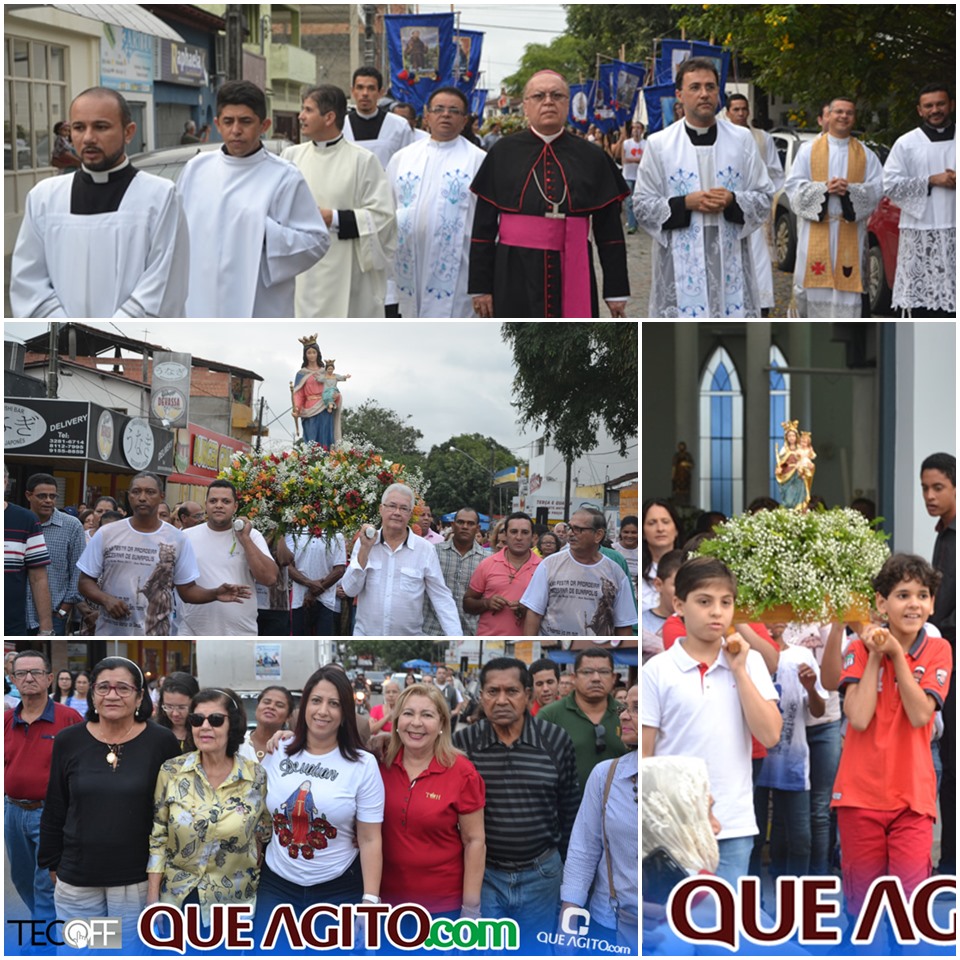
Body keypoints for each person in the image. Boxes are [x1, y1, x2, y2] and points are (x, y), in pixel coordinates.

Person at [642, 557, 782, 886]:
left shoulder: (751, 662)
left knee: (724, 928)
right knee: (674, 930)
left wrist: (739, 671)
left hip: (734, 824)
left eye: (726, 602)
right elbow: (646, 758)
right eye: (704, 602)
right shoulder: (657, 670)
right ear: (679, 604)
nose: (716, 612)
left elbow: (771, 734)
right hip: (673, 829)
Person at [832, 555, 952, 921]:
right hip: (858, 799)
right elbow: (860, 717)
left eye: (922, 595)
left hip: (912, 801)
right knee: (863, 911)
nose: (914, 603)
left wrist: (896, 654)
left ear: (932, 604)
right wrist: (873, 655)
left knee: (910, 911)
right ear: (881, 603)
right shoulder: (856, 648)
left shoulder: (939, 649)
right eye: (902, 595)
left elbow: (920, 715)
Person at [38, 657, 180, 953]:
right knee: (80, 951)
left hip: (134, 879)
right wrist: (52, 862)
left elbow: (170, 811)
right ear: (92, 694)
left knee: (120, 952)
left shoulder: (161, 741)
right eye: (103, 687)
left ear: (140, 696)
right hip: (78, 874)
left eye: (123, 688)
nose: (112, 695)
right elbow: (56, 804)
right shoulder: (69, 740)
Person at [11, 87, 189, 319]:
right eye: (78, 127)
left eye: (101, 126)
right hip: (66, 341)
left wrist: (112, 333)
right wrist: (68, 333)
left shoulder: (161, 197)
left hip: (127, 338)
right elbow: (29, 281)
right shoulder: (44, 198)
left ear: (128, 132)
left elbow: (164, 283)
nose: (88, 138)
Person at [468, 70, 629, 318]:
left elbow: (610, 233)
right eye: (539, 95)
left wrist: (616, 290)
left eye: (557, 95)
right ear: (526, 106)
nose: (548, 101)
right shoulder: (503, 152)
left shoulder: (593, 156)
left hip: (573, 263)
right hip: (513, 267)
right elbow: (482, 229)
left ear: (567, 104)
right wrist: (480, 287)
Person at [453, 658, 579, 950]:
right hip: (484, 877)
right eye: (492, 692)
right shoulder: (464, 744)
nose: (501, 700)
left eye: (511, 691)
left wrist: (567, 880)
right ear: (481, 696)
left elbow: (570, 812)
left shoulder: (555, 740)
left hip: (542, 875)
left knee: (535, 951)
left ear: (528, 695)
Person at [634, 58, 775, 318]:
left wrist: (733, 199)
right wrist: (686, 202)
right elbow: (642, 206)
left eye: (710, 87)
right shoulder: (659, 144)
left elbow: (764, 196)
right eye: (695, 87)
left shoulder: (741, 139)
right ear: (680, 95)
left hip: (731, 255)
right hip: (679, 263)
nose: (704, 94)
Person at [254, 666, 384, 947]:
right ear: (304, 706)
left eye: (334, 703)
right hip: (276, 885)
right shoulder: (279, 751)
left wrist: (370, 900)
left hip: (338, 889)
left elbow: (371, 838)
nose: (323, 711)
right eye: (316, 701)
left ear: (345, 712)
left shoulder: (363, 765)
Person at [177, 80, 330, 318]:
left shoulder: (284, 176)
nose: (236, 130)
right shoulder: (196, 169)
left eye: (245, 121)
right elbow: (176, 233)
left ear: (264, 125)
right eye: (228, 121)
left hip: (261, 302)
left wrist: (262, 231)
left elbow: (317, 241)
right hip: (200, 297)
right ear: (217, 124)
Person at [148, 688, 270, 929]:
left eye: (215, 720)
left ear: (232, 725)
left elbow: (265, 830)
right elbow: (158, 837)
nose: (205, 726)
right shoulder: (171, 772)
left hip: (235, 904)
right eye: (196, 719)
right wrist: (154, 900)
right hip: (178, 900)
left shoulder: (255, 776)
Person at [77, 471, 252, 636]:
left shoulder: (177, 539)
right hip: (110, 631)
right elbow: (85, 581)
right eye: (136, 492)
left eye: (150, 492)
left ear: (161, 496)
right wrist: (106, 599)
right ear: (128, 496)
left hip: (156, 632)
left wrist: (214, 593)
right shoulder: (107, 533)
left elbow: (187, 590)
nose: (142, 498)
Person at [283, 85, 396, 319]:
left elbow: (384, 218)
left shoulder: (363, 160)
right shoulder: (291, 157)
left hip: (348, 271)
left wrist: (332, 218)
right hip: (302, 272)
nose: (300, 116)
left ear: (329, 117)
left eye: (307, 110)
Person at [379, 683, 485, 920]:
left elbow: (474, 842)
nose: (416, 723)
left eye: (427, 715)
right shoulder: (379, 763)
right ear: (397, 722)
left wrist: (470, 909)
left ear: (442, 725)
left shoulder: (462, 772)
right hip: (384, 903)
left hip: (441, 907)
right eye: (408, 713)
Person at [386, 86, 486, 318]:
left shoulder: (479, 161)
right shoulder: (402, 158)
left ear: (464, 120)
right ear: (427, 115)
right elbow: (389, 210)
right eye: (439, 109)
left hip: (459, 269)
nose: (446, 114)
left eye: (454, 110)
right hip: (407, 263)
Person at [784, 96, 883, 318]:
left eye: (849, 113)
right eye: (839, 111)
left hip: (850, 230)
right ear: (828, 115)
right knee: (812, 286)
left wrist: (850, 191)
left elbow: (877, 189)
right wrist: (824, 189)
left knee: (847, 289)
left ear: (854, 118)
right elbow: (793, 186)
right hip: (816, 230)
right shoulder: (808, 150)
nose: (843, 116)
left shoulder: (865, 154)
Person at [4, 651, 83, 930]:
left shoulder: (68, 718)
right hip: (12, 810)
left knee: (45, 884)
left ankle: (44, 943)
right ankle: (46, 929)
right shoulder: (6, 720)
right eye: (21, 673)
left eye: (36, 672)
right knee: (21, 879)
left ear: (49, 678)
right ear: (12, 679)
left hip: (49, 813)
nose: (29, 678)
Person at [560, 684, 638, 952]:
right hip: (610, 923)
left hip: (672, 927)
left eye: (637, 709)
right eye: (625, 707)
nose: (625, 716)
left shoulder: (691, 776)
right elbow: (583, 851)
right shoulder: (606, 775)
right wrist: (568, 927)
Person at [340, 483, 461, 636]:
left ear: (410, 514)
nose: (397, 512)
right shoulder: (365, 543)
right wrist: (365, 550)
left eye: (404, 508)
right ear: (381, 509)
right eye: (392, 506)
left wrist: (456, 636)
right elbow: (350, 590)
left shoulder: (424, 549)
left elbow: (441, 597)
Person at [882, 84, 956, 317]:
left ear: (951, 105)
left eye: (940, 104)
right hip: (923, 236)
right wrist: (931, 180)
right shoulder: (906, 144)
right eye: (929, 106)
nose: (935, 110)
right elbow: (890, 185)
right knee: (925, 311)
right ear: (920, 110)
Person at [179, 480, 278, 636]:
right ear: (206, 505)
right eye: (213, 501)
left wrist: (244, 539)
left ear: (235, 507)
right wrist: (214, 594)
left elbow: (270, 578)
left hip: (240, 632)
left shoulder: (252, 536)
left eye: (225, 501)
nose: (219, 505)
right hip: (193, 631)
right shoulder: (185, 537)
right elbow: (181, 587)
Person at [920, 453, 956, 876]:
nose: (929, 496)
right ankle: (947, 861)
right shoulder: (942, 534)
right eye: (925, 488)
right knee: (946, 759)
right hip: (944, 651)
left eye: (938, 488)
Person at [522, 507, 637, 636]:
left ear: (598, 535)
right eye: (570, 528)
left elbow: (624, 624)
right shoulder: (549, 565)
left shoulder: (615, 572)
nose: (571, 533)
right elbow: (534, 613)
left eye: (578, 529)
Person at [537, 647, 627, 799]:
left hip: (618, 811)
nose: (596, 678)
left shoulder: (627, 715)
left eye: (604, 672)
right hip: (565, 812)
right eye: (587, 672)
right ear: (574, 678)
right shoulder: (550, 716)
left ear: (613, 678)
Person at [725, 93, 785, 317]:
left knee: (758, 255)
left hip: (755, 207)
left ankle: (761, 302)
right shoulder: (721, 137)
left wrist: (764, 194)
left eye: (744, 109)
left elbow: (776, 172)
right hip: (728, 206)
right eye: (736, 110)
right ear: (728, 112)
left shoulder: (762, 138)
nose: (741, 114)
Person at [24, 472, 87, 636]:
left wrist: (63, 610)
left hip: (55, 614)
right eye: (42, 496)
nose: (48, 500)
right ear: (28, 495)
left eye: (53, 496)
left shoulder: (72, 526)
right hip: (17, 612)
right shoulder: (16, 522)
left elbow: (78, 571)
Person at [464, 511, 542, 636]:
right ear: (505, 535)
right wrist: (487, 603)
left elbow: (553, 611)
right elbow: (467, 603)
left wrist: (528, 608)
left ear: (533, 537)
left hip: (526, 645)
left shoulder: (543, 568)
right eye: (514, 531)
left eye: (525, 532)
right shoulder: (487, 564)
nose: (519, 537)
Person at [4, 465, 54, 637]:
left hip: (10, 624)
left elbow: (38, 578)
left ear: (4, 483)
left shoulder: (25, 520)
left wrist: (46, 628)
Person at [424, 508, 487, 636]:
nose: (465, 527)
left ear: (478, 528)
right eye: (460, 522)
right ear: (453, 525)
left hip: (469, 631)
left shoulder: (487, 560)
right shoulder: (433, 552)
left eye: (470, 524)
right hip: (433, 630)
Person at [343, 67, 414, 169]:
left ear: (381, 92)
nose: (365, 94)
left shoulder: (399, 126)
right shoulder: (340, 126)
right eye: (360, 87)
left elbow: (409, 163)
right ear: (352, 91)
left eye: (371, 88)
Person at [286, 527, 347, 635]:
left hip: (325, 602)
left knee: (323, 643)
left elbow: (339, 569)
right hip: (300, 600)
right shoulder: (294, 532)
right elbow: (288, 566)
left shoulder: (337, 534)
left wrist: (314, 592)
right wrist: (309, 583)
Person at [292, 335, 338, 447]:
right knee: (311, 438)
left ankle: (326, 461)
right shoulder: (301, 374)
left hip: (324, 406)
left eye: (314, 352)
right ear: (305, 355)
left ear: (318, 353)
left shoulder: (325, 372)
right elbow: (299, 394)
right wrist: (297, 408)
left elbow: (332, 385)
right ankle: (312, 460)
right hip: (309, 410)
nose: (312, 355)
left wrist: (336, 395)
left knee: (325, 437)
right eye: (309, 353)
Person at [641, 498, 682, 612]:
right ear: (643, 532)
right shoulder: (637, 570)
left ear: (676, 529)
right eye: (652, 523)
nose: (660, 529)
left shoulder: (690, 566)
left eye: (665, 521)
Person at [239, 686, 295, 764]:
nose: (271, 707)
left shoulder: (292, 747)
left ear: (288, 716)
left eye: (279, 705)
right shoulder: (238, 742)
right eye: (266, 702)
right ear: (257, 707)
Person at [155, 672, 200, 753]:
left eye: (181, 707)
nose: (175, 713)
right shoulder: (154, 733)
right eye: (169, 707)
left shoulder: (202, 733)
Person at [775, 420, 808, 509]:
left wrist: (802, 469)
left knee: (799, 499)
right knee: (788, 500)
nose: (791, 438)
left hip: (798, 476)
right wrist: (779, 470)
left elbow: (805, 461)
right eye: (789, 435)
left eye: (793, 435)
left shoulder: (800, 449)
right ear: (786, 437)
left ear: (796, 436)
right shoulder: (784, 450)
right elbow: (780, 464)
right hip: (787, 476)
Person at [620, 122, 644, 234]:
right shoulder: (626, 143)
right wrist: (637, 160)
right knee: (629, 201)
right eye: (634, 128)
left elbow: (646, 161)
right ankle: (631, 224)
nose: (636, 130)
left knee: (638, 200)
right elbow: (624, 160)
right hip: (628, 175)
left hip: (640, 176)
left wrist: (633, 160)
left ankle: (636, 221)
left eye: (638, 128)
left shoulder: (646, 144)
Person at [612, 514, 639, 594]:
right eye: (626, 532)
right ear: (620, 532)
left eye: (634, 532)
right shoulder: (612, 549)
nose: (629, 536)